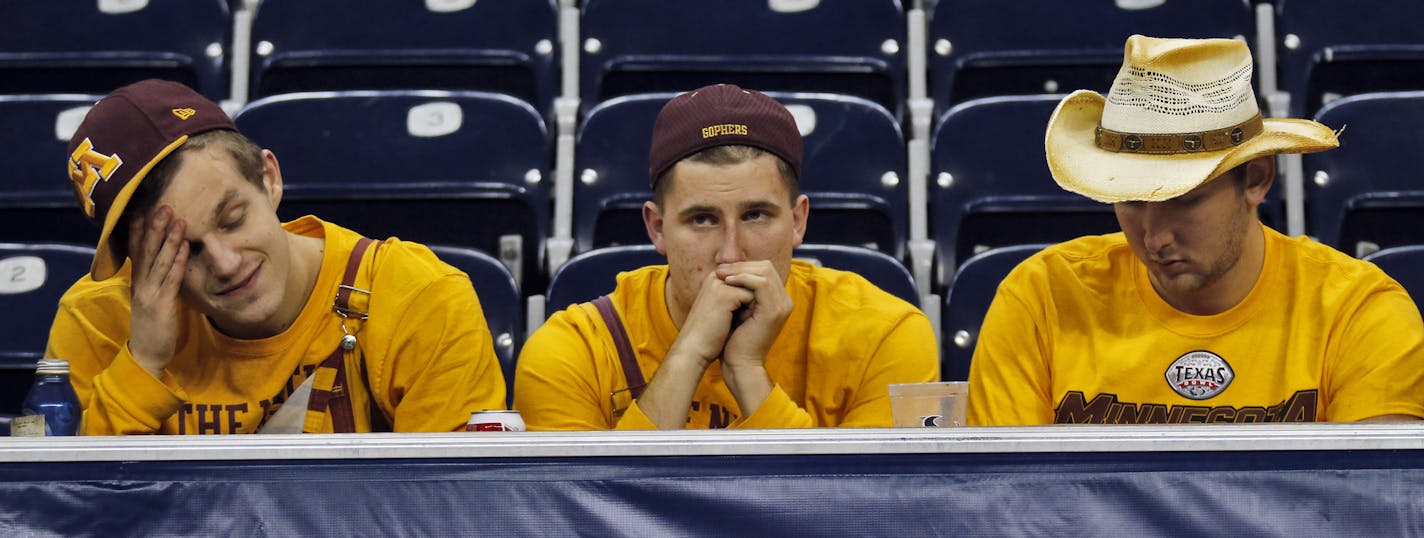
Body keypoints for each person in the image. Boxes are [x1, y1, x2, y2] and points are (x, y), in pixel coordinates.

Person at [968, 35, 1424, 425]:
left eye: (1182, 201)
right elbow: (995, 508)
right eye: (1129, 202)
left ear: (1258, 179)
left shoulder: (1357, 311)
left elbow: (1377, 509)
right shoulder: (1042, 297)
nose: (1154, 237)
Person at [48, 79, 507, 434]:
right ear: (131, 259)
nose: (227, 263)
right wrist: (143, 360)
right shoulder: (100, 318)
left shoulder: (416, 297)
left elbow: (455, 512)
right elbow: (67, 515)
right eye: (180, 251)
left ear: (268, 178)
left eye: (232, 219)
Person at [514, 84, 938, 430]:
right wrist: (692, 351)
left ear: (797, 221)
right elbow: (589, 516)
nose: (731, 253)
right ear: (657, 228)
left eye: (756, 215)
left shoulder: (884, 335)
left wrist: (748, 370)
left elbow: (863, 516)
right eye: (702, 219)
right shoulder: (574, 350)